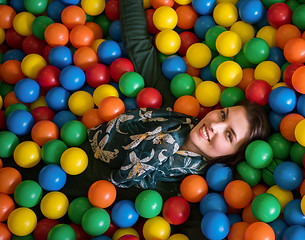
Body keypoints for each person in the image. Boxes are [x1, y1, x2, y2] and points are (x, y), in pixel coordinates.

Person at [3, 0, 271, 238]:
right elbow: (139, 47)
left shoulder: (191, 196)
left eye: (229, 135)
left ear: (234, 156)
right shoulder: (174, 109)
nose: (215, 125)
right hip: (43, 141)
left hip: (45, 204)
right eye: (223, 115)